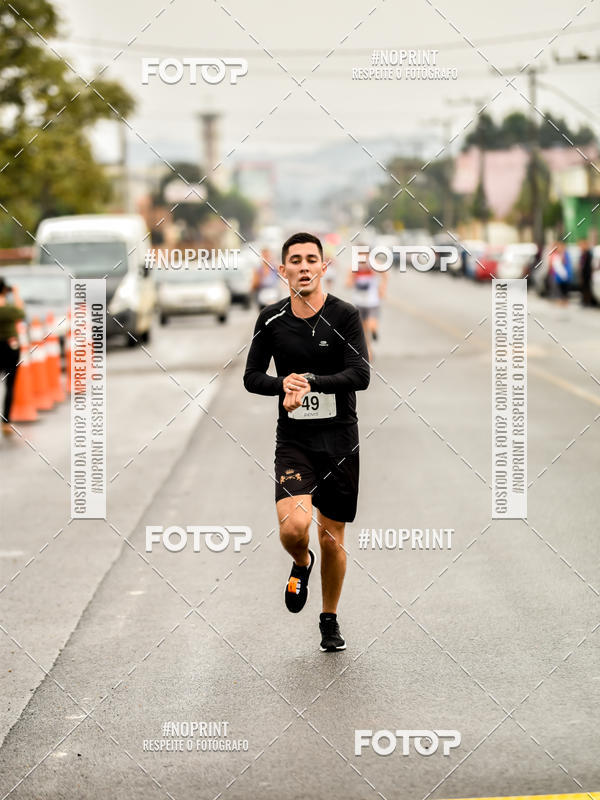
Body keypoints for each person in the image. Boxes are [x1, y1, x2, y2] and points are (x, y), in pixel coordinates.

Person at [243, 232, 370, 652]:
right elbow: (252, 377)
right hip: (295, 440)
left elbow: (360, 375)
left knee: (332, 536)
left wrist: (312, 381)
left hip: (339, 439)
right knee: (295, 528)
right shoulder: (270, 319)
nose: (302, 266)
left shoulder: (346, 315)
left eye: (310, 259)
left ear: (322, 267)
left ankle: (329, 619)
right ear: (283, 270)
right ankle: (301, 563)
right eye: (294, 260)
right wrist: (284, 385)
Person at [346, 245, 388, 360]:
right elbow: (348, 282)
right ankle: (369, 351)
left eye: (363, 254)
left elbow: (385, 275)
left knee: (371, 324)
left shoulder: (374, 264)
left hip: (372, 301)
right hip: (359, 302)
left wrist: (382, 288)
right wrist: (352, 280)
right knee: (363, 331)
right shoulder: (354, 267)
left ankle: (374, 330)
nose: (361, 257)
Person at [0, 277, 25, 436]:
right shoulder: (9, 308)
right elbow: (21, 313)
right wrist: (15, 294)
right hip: (10, 347)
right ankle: (6, 422)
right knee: (10, 385)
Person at [579, 239, 594, 307]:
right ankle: (584, 300)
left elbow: (589, 265)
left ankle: (588, 301)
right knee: (583, 287)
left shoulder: (588, 253)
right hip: (583, 274)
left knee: (587, 287)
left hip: (587, 274)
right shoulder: (583, 253)